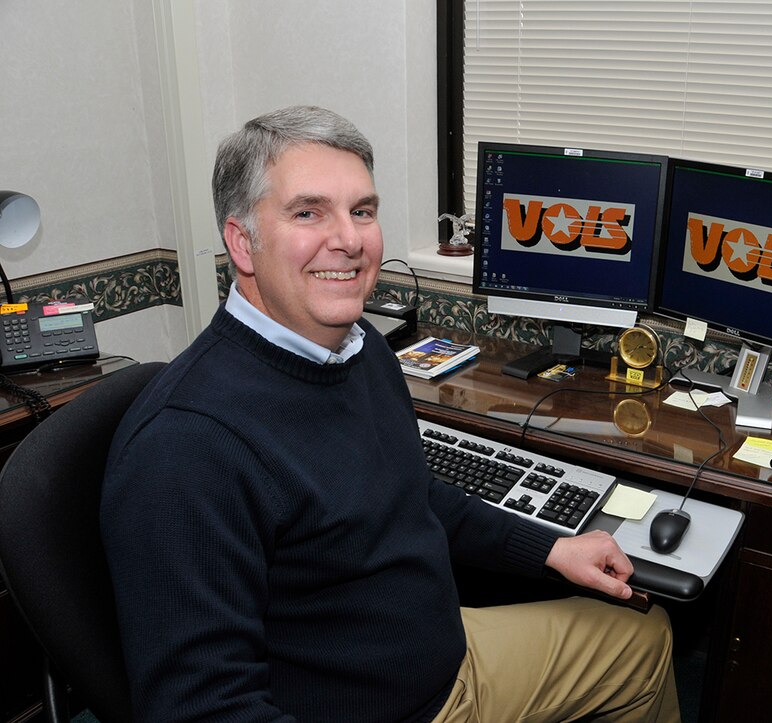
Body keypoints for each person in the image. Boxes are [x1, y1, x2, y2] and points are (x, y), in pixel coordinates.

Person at [100, 106, 680, 723]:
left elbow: (409, 493)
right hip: (389, 708)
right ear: (243, 241)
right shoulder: (188, 444)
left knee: (645, 639)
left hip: (439, 657)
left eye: (363, 210)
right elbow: (200, 709)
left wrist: (548, 548)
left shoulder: (358, 347)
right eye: (308, 212)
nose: (349, 240)